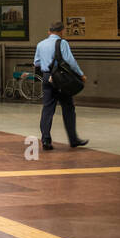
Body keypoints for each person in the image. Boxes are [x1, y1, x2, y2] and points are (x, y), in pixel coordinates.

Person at [34, 21, 89, 150]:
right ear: (61, 31)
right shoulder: (62, 43)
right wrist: (80, 74)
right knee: (68, 108)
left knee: (47, 109)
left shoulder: (40, 44)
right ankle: (73, 139)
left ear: (49, 31)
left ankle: (46, 140)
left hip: (47, 77)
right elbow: (70, 61)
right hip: (61, 78)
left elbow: (36, 62)